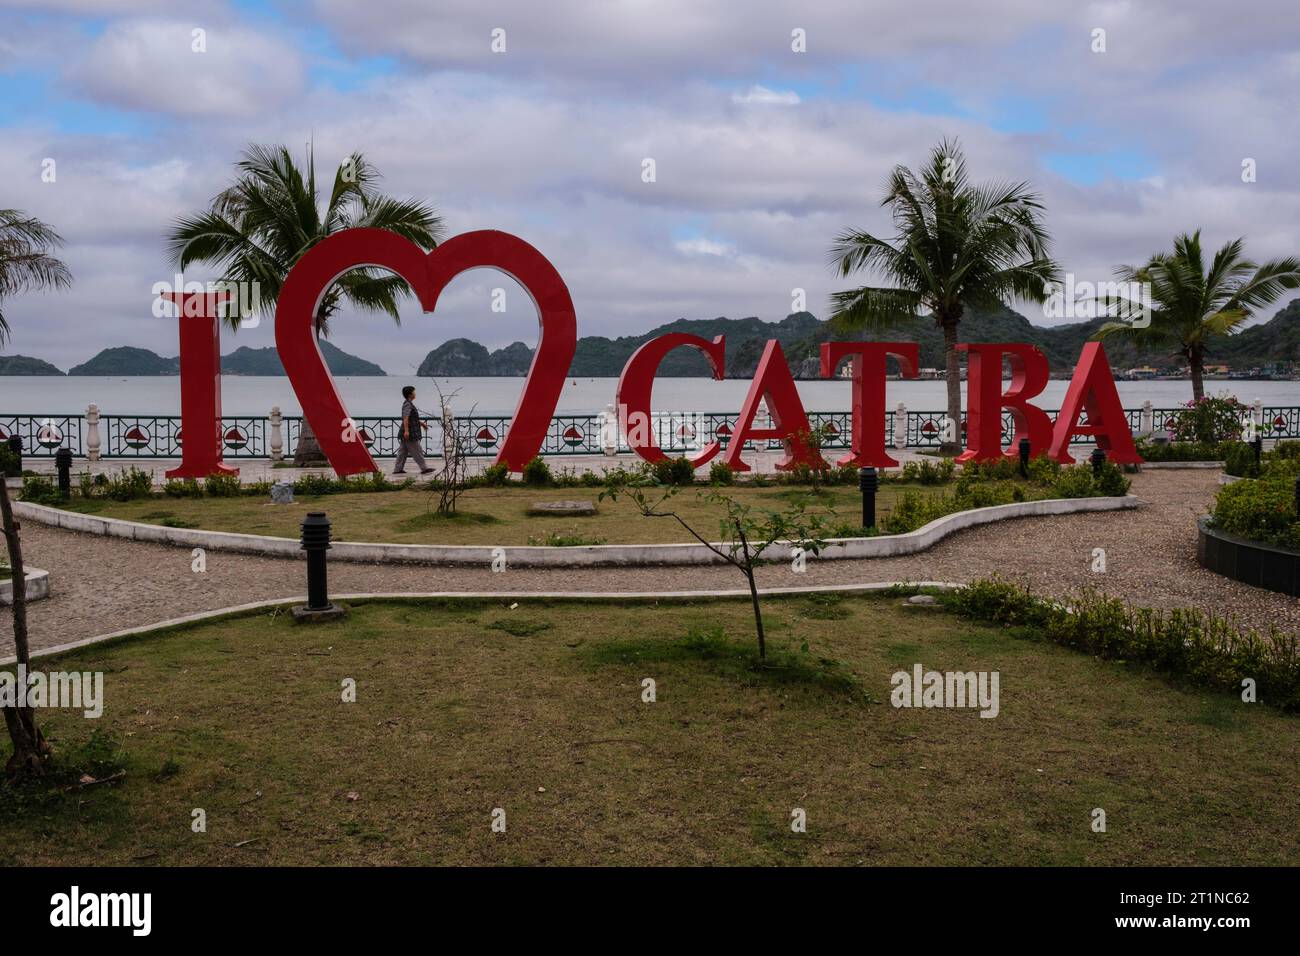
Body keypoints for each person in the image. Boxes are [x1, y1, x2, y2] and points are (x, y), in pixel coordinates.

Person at [393, 385, 435, 475]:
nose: (415, 393)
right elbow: (406, 418)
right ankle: (424, 468)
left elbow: (412, 418)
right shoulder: (407, 404)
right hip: (410, 432)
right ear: (410, 394)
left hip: (408, 431)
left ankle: (397, 469)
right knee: (417, 450)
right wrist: (407, 431)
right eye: (414, 392)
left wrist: (422, 424)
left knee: (403, 451)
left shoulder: (409, 403)